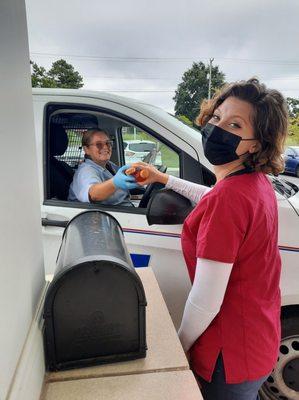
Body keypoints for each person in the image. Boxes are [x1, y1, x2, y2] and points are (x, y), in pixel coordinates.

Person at [132, 78, 288, 400]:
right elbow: (212, 195)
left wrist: (179, 347)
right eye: (217, 118)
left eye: (234, 124)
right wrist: (164, 179)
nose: (217, 128)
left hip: (228, 355)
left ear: (255, 143)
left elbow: (206, 300)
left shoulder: (229, 199)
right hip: (258, 341)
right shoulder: (255, 184)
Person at [68, 129, 138, 206]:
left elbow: (126, 175)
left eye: (108, 143)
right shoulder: (86, 171)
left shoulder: (108, 165)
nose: (105, 147)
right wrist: (115, 182)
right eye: (98, 144)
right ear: (86, 149)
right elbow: (94, 194)